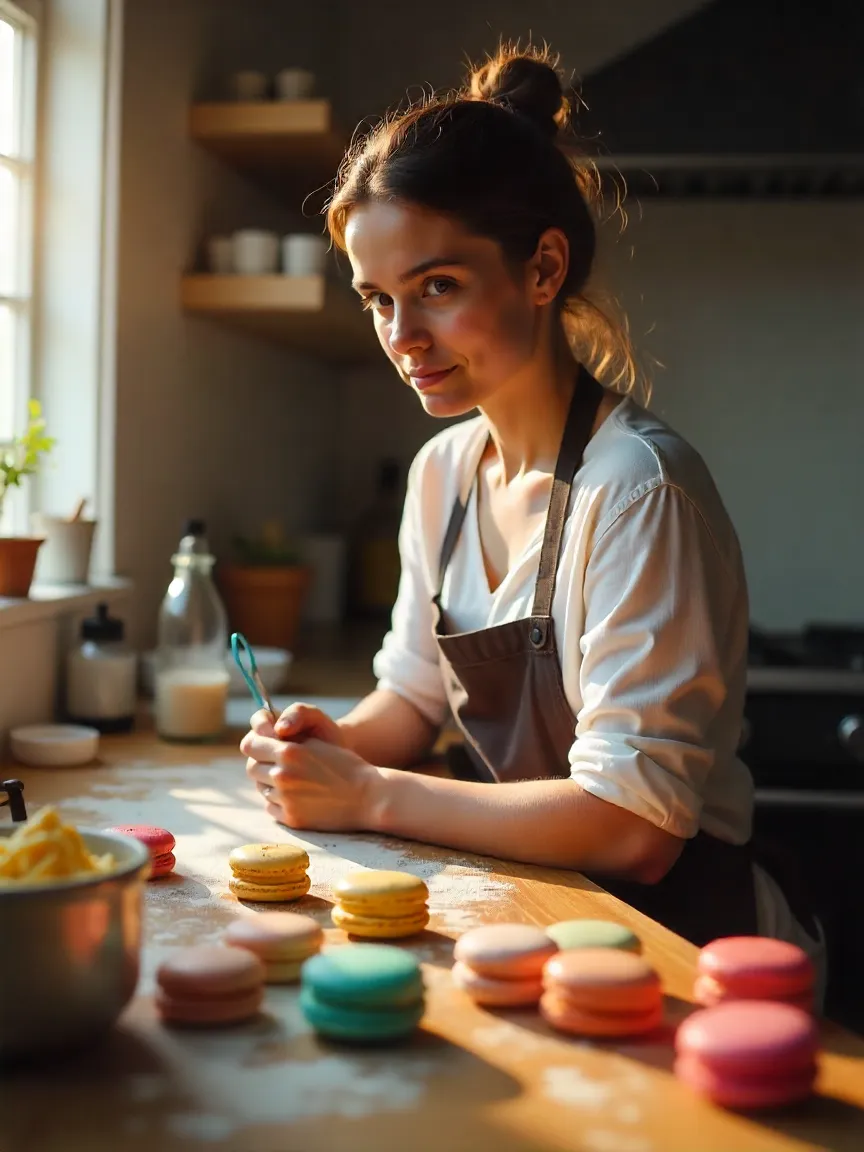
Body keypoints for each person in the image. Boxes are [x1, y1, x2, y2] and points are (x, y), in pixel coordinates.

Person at [241, 44, 820, 958]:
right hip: (531, 916)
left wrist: (372, 796)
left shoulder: (636, 492)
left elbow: (635, 825)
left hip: (687, 944)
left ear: (543, 269)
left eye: (438, 286)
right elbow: (413, 699)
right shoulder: (442, 473)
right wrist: (337, 744)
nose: (404, 337)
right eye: (378, 300)